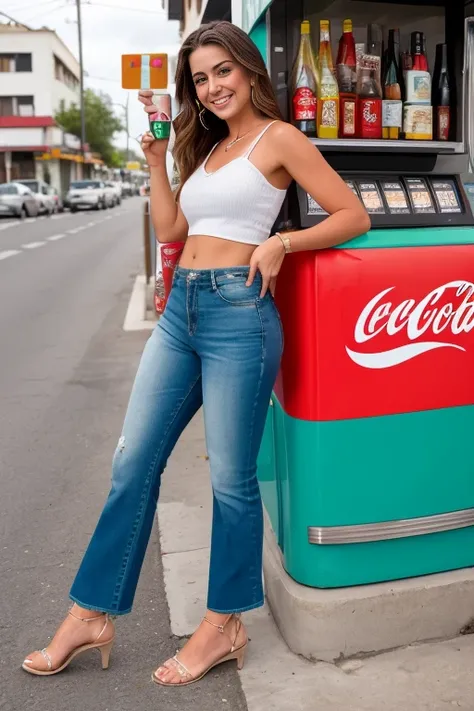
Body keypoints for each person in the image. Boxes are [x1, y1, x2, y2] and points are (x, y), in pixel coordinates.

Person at [21, 20, 370, 687]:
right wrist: (156, 164)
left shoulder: (281, 139)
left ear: (248, 69)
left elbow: (352, 214)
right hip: (183, 311)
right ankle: (92, 610)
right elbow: (174, 228)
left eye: (222, 72)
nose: (212, 88)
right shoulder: (206, 148)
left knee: (229, 479)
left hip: (240, 314)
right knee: (132, 461)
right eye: (200, 80)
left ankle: (224, 622)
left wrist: (281, 244)